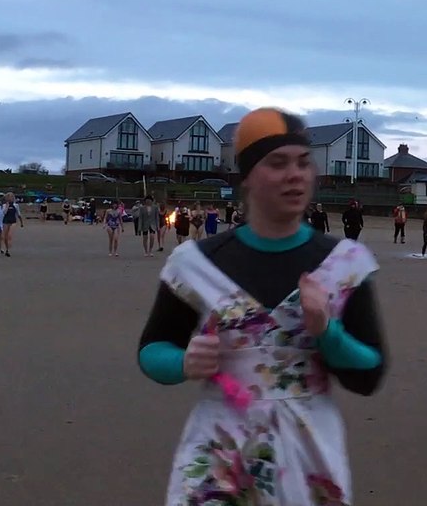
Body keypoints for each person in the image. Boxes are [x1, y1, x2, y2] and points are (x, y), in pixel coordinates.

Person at [136, 107, 388, 505]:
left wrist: (328, 332)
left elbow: (370, 374)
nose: (295, 174)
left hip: (309, 451)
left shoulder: (343, 264)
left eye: (304, 163)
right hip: (220, 448)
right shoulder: (197, 262)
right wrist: (183, 362)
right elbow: (152, 348)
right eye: (278, 163)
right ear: (248, 177)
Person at [0, 192, 24, 257]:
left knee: (9, 235)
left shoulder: (16, 205)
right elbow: (4, 213)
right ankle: (7, 249)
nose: (10, 198)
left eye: (11, 197)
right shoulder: (4, 205)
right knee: (5, 237)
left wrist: (21, 222)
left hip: (13, 221)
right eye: (9, 197)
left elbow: (18, 214)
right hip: (6, 221)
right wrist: (7, 206)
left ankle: (9, 249)